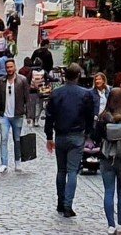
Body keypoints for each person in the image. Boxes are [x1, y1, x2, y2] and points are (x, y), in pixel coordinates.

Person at [45, 62, 96, 219]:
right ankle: (68, 205)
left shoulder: (56, 93)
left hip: (60, 135)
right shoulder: (85, 94)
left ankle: (61, 202)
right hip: (76, 135)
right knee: (72, 171)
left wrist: (48, 136)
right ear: (78, 76)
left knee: (61, 171)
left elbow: (49, 116)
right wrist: (88, 133)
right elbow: (90, 116)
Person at [93, 87, 121, 235]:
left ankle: (110, 225)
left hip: (107, 156)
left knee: (109, 191)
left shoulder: (103, 117)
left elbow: (95, 137)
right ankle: (120, 224)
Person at [0, 57, 29, 173]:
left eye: (11, 67)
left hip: (17, 115)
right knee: (3, 138)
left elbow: (27, 98)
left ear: (15, 67)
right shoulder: (1, 82)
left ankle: (17, 162)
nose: (9, 69)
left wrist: (28, 114)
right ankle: (4, 163)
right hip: (4, 115)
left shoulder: (22, 80)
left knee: (17, 139)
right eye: (7, 67)